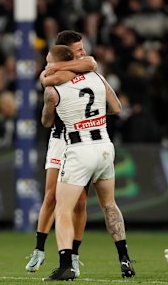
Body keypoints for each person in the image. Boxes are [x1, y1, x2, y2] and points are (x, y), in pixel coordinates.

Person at [41, 45, 134, 281]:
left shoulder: (54, 88)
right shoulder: (97, 76)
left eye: (48, 61)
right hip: (104, 145)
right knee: (110, 205)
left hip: (79, 149)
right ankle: (124, 259)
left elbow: (46, 122)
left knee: (63, 210)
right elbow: (116, 108)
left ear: (57, 62)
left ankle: (66, 265)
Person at [25, 31, 97, 277]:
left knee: (81, 202)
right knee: (51, 195)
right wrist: (54, 71)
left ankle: (74, 256)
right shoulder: (58, 69)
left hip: (82, 138)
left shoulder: (78, 65)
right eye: (77, 49)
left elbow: (90, 63)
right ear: (65, 51)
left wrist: (57, 69)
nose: (83, 52)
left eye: (82, 48)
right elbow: (45, 79)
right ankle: (39, 249)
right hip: (60, 138)